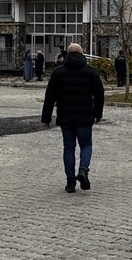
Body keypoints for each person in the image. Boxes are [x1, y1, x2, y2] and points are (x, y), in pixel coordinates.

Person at [41, 42, 105, 194]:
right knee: (86, 145)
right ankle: (83, 170)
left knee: (69, 148)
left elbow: (49, 96)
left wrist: (46, 118)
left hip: (66, 116)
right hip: (85, 116)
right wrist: (97, 114)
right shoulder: (91, 72)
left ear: (67, 54)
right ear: (82, 54)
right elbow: (99, 94)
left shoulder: (58, 72)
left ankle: (70, 182)